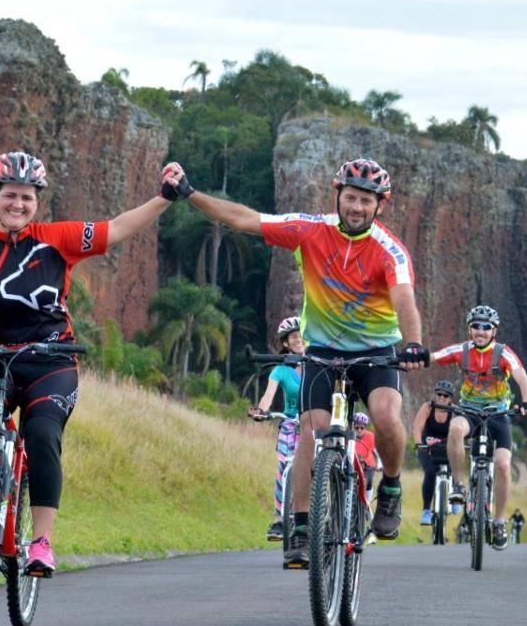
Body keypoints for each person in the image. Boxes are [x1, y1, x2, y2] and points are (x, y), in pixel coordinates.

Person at [0, 151, 175, 577]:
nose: (18, 205)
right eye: (10, 196)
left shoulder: (58, 239)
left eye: (27, 198)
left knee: (41, 432)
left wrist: (164, 197)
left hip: (53, 361)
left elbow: (120, 227)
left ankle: (41, 543)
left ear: (38, 203)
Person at [167, 158, 429, 568]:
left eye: (365, 201)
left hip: (377, 351)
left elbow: (404, 299)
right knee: (313, 429)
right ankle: (303, 526)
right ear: (337, 195)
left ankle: (391, 487)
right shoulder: (310, 229)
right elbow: (245, 219)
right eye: (350, 198)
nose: (356, 207)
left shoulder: (389, 250)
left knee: (384, 414)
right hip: (322, 349)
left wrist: (412, 344)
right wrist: (189, 193)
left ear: (380, 205)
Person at [429, 305, 527, 548]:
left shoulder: (504, 353)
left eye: (486, 327)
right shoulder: (462, 351)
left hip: (499, 415)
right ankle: (458, 485)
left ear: (494, 331)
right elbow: (435, 356)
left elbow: (522, 378)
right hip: (470, 412)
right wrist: (415, 356)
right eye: (476, 326)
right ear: (469, 329)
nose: (480, 331)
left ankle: (499, 521)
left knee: (503, 465)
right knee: (455, 429)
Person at [249, 316, 304, 542]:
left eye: (302, 336)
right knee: (284, 466)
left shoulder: (319, 365)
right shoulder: (280, 370)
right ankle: (280, 519)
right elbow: (268, 397)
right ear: (286, 343)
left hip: (314, 424)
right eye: (293, 337)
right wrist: (261, 411)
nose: (298, 340)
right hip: (290, 423)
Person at [412, 380, 460, 525]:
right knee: (431, 472)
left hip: (447, 447)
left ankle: (454, 496)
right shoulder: (427, 407)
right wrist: (419, 444)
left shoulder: (455, 411)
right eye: (439, 394)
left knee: (454, 467)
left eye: (445, 396)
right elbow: (417, 428)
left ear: (450, 398)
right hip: (428, 447)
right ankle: (426, 510)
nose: (441, 398)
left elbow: (460, 433)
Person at [353, 412, 383, 506]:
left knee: (368, 483)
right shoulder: (349, 437)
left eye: (362, 428)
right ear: (353, 427)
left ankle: (367, 504)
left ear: (365, 427)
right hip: (353, 463)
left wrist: (379, 465)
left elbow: (376, 452)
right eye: (356, 428)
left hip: (368, 464)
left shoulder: (371, 436)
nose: (359, 430)